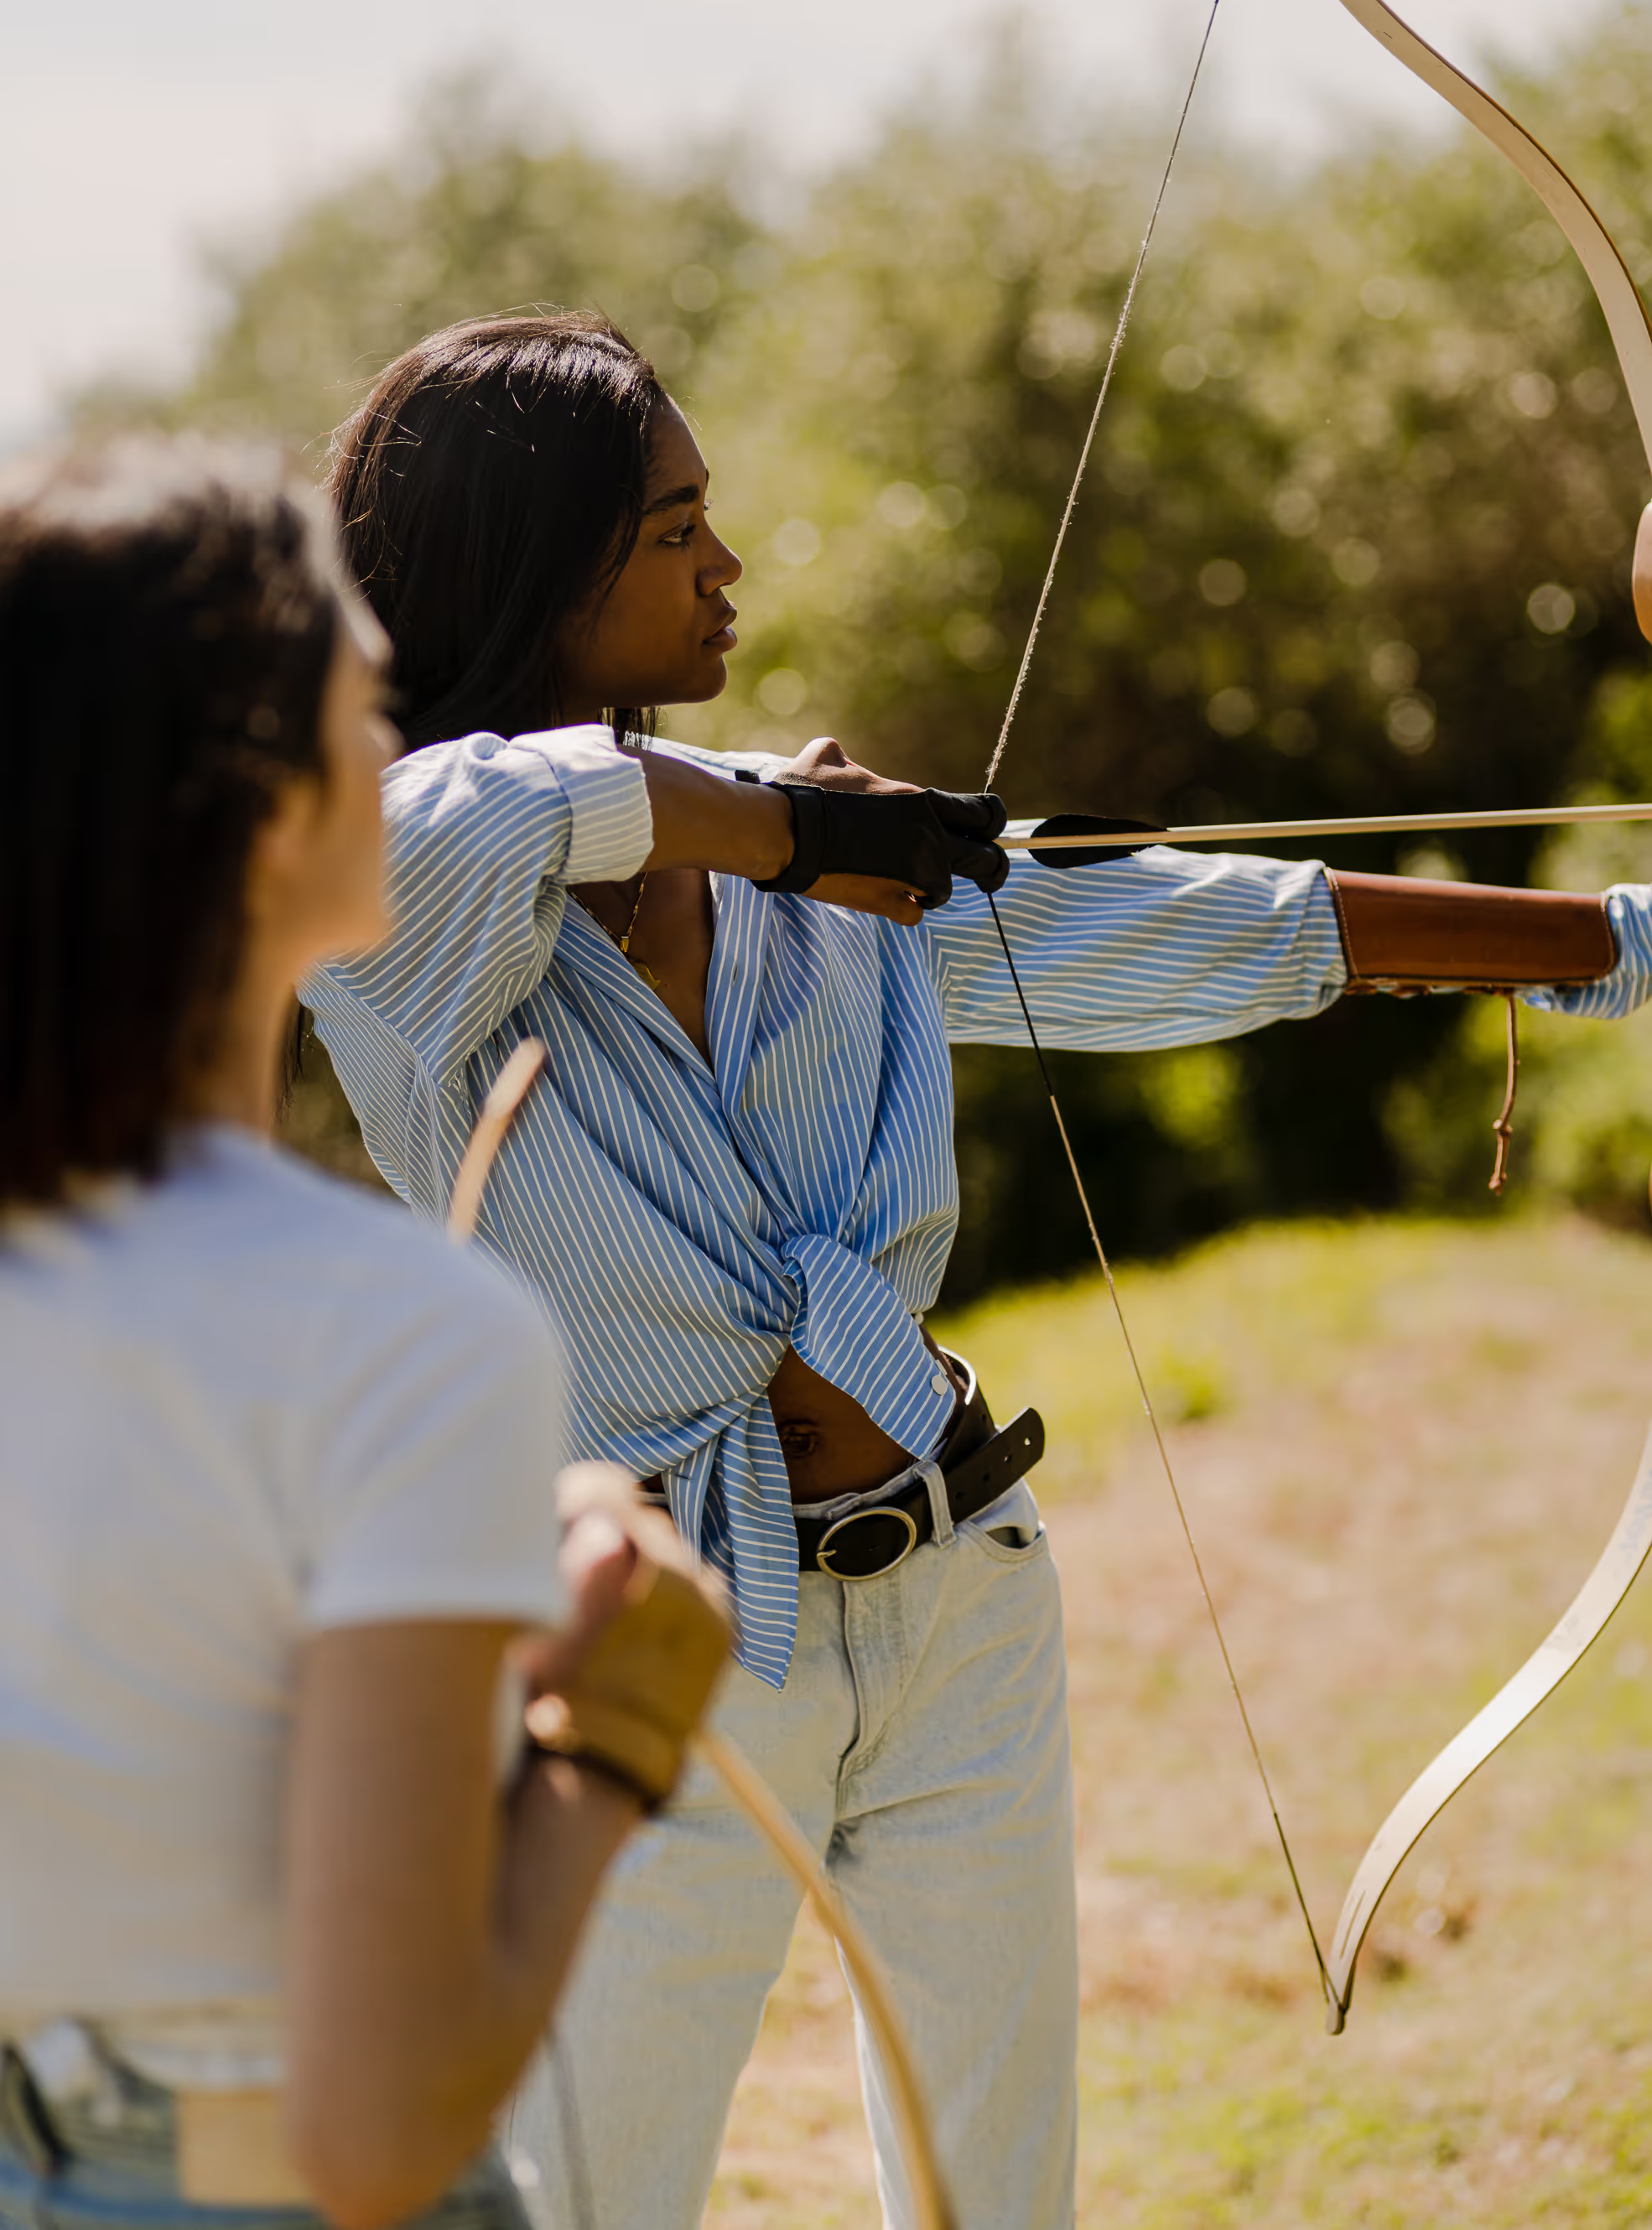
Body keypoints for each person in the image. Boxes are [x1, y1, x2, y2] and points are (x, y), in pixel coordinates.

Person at [302, 309, 1652, 2229]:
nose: (726, 565)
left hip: (955, 1585)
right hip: (647, 1623)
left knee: (991, 2197)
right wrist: (781, 827)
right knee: (584, 2193)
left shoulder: (828, 859)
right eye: (673, 529)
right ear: (531, 567)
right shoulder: (391, 905)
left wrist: (1608, 938)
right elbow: (459, 806)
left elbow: (1189, 924)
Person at [0, 437, 727, 2230]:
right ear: (262, 796)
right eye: (357, 693)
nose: (393, 746)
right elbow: (376, 2133)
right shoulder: (405, 1337)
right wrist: (615, 1736)